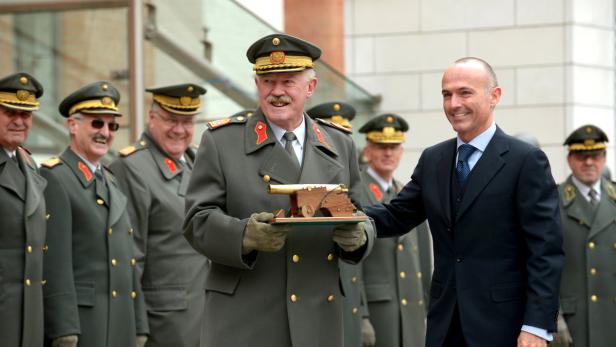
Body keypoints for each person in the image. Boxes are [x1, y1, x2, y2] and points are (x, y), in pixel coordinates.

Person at [183, 33, 375, 347]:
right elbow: (196, 221)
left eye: (288, 82)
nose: (277, 92)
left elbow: (362, 213)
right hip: (245, 318)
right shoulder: (222, 141)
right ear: (257, 85)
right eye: (268, 81)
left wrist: (360, 237)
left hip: (318, 316)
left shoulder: (339, 143)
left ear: (310, 88)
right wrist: (244, 235)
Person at [364, 57, 564, 347]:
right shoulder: (434, 159)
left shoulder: (525, 161)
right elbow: (396, 215)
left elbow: (545, 252)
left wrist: (536, 326)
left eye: (465, 92)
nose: (454, 103)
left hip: (506, 328)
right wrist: (339, 215)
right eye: (447, 94)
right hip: (445, 326)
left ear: (494, 96)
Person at [41, 81, 149, 347]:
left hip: (120, 320)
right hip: (84, 323)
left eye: (112, 126)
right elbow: (56, 262)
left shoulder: (110, 179)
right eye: (96, 124)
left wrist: (138, 322)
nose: (105, 132)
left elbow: (128, 257)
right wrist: (63, 328)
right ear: (72, 125)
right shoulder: (56, 177)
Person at [110, 83, 208, 347]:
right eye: (171, 120)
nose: (179, 130)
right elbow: (129, 256)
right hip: (164, 321)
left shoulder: (198, 161)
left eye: (187, 121)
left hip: (207, 313)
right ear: (151, 117)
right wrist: (134, 326)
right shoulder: (132, 168)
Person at [358, 113, 432, 347]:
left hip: (412, 311)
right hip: (377, 311)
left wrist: (429, 305)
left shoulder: (407, 192)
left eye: (393, 147)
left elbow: (421, 257)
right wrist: (360, 314)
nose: (388, 153)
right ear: (368, 150)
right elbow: (350, 262)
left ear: (401, 152)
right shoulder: (355, 192)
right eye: (381, 146)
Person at [307, 101, 365, 347]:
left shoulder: (346, 182)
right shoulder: (310, 177)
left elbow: (357, 219)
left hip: (340, 297)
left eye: (344, 137)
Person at [558, 125, 616, 347]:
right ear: (570, 160)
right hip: (573, 323)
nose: (589, 162)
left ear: (604, 158)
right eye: (582, 156)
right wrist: (552, 316)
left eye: (595, 156)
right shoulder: (552, 202)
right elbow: (538, 265)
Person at [0, 72, 47, 347]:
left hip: (27, 318)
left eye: (26, 114)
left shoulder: (28, 163)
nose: (19, 121)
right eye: (9, 112)